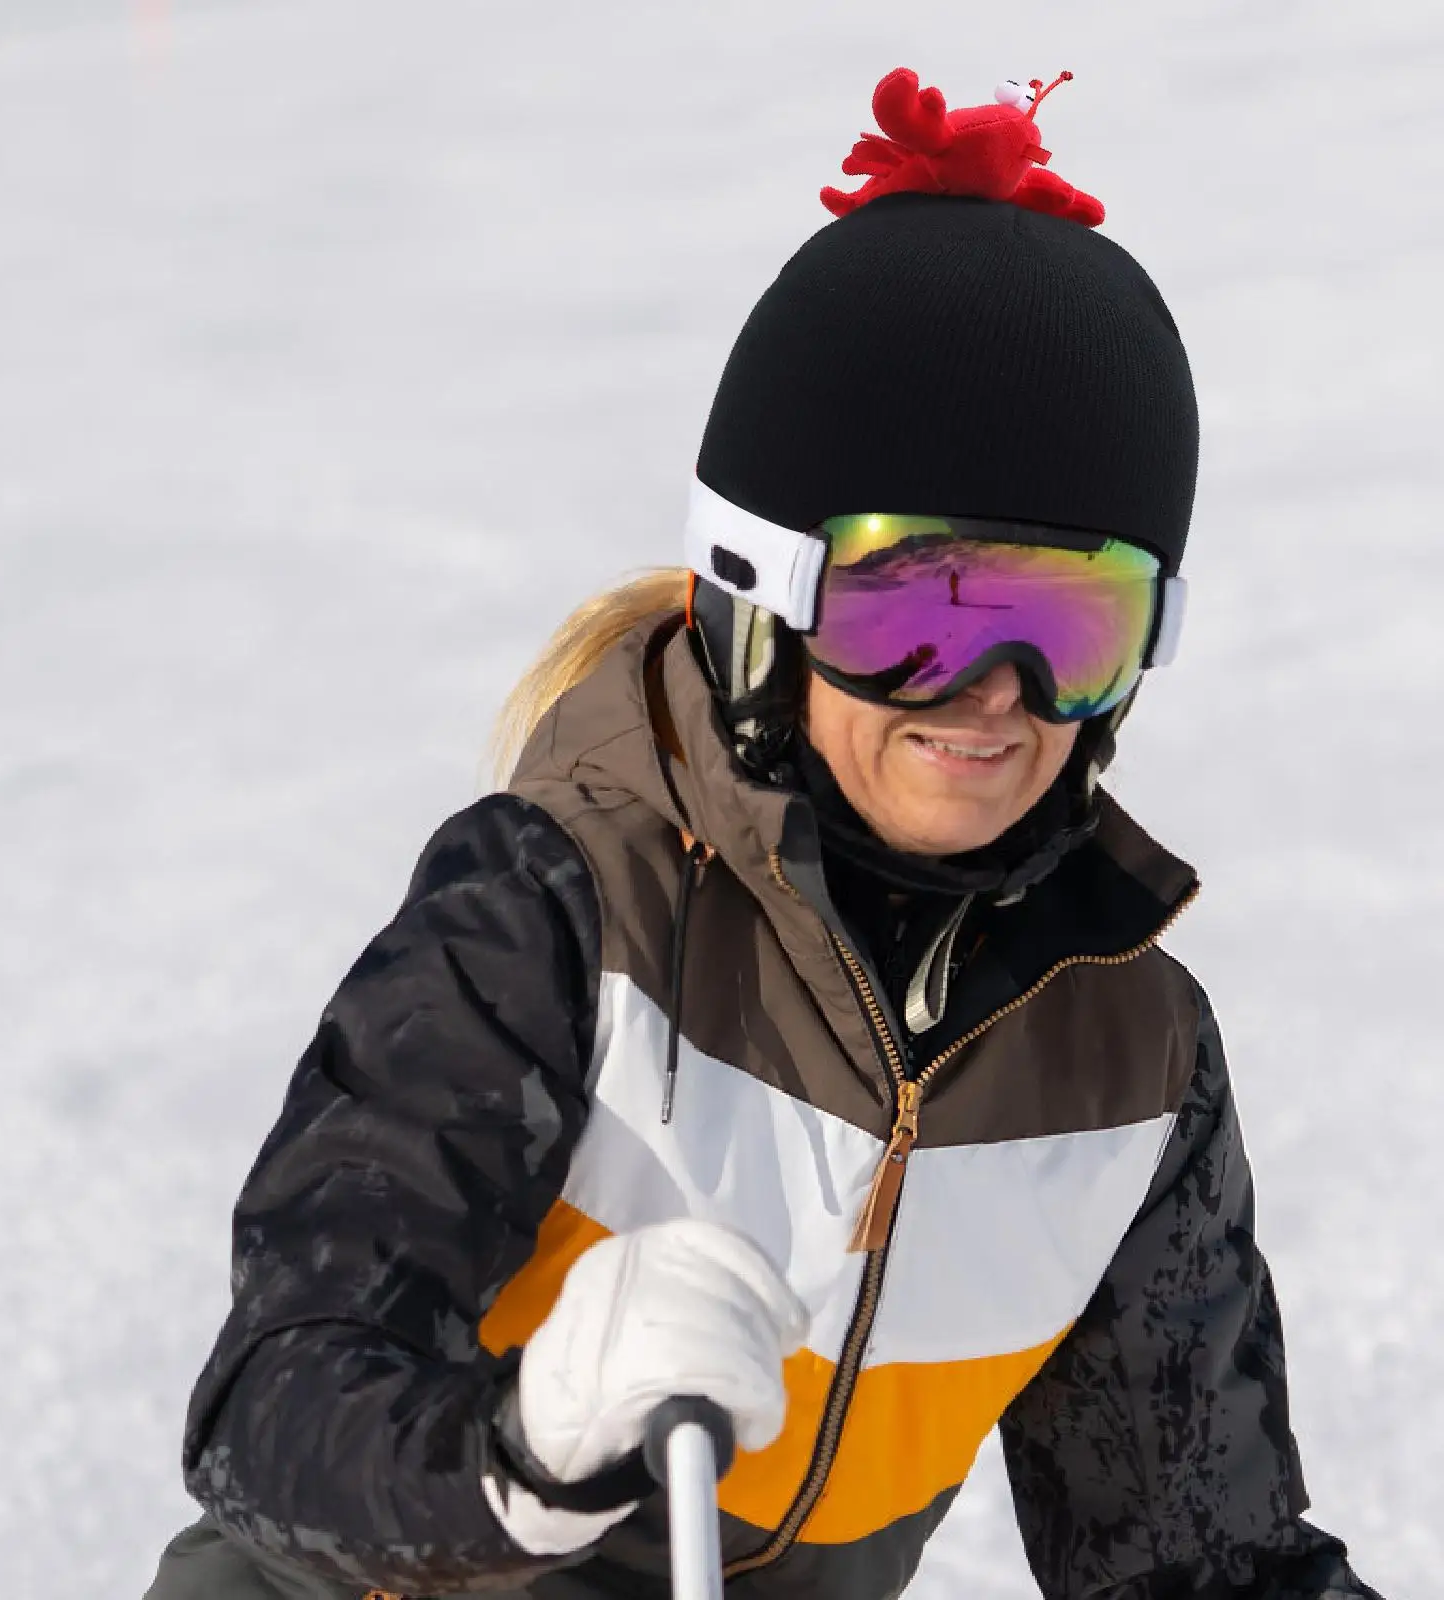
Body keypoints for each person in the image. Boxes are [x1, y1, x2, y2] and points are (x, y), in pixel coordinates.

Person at [145, 70, 1384, 1600]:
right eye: (915, 610)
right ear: (762, 600)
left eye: (1070, 617)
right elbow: (275, 1401)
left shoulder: (1127, 1059)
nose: (993, 695)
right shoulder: (554, 914)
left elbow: (1193, 1564)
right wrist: (516, 1452)